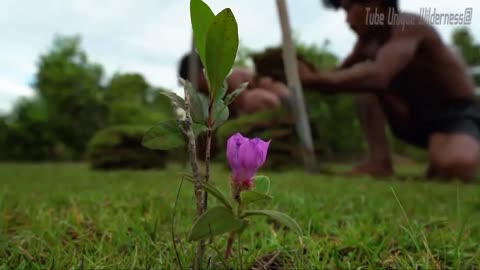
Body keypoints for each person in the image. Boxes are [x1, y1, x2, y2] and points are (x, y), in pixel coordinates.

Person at [298, 0, 479, 182]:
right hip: (414, 117)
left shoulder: (408, 26)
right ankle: (379, 161)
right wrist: (300, 74)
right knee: (363, 84)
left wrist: (314, 79)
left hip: (458, 114)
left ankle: (449, 152)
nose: (347, 20)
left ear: (375, 4)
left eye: (349, 9)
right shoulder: (367, 43)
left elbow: (379, 75)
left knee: (454, 166)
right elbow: (336, 78)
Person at [178, 53, 290, 117]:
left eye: (192, 82)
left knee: (253, 98)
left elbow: (246, 105)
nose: (195, 88)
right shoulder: (211, 94)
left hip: (283, 101)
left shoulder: (228, 79)